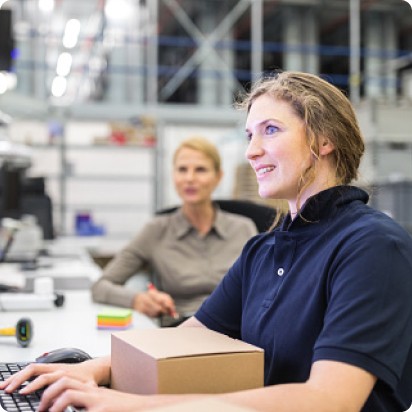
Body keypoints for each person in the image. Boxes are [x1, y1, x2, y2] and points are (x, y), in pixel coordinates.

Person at [2, 71, 412, 412]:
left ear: (324, 141)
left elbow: (330, 400)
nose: (252, 151)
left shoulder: (372, 246)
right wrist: (95, 368)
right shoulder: (263, 250)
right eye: (250, 134)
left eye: (270, 130)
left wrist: (132, 404)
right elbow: (191, 336)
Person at [91, 136, 257, 320]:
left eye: (200, 170)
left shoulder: (244, 229)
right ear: (173, 176)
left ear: (218, 177)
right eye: (182, 170)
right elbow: (100, 286)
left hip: (238, 328)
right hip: (182, 328)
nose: (190, 178)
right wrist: (137, 299)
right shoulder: (156, 230)